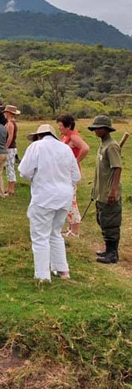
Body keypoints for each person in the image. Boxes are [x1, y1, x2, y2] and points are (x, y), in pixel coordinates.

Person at [18, 124, 80, 281]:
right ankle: (62, 270)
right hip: (64, 196)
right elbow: (76, 176)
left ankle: (42, 276)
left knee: (40, 236)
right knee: (55, 233)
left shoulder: (36, 147)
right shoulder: (65, 148)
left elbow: (24, 171)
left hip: (44, 197)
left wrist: (38, 177)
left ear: (39, 136)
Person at [87, 115, 123, 264]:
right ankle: (108, 250)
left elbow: (117, 168)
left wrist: (113, 190)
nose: (95, 131)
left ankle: (112, 254)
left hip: (109, 192)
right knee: (103, 221)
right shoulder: (103, 145)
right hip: (100, 192)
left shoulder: (112, 146)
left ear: (105, 129)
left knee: (111, 223)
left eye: (98, 128)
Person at [57, 114, 90, 238]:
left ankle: (75, 230)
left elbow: (85, 148)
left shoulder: (74, 136)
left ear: (68, 126)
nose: (59, 128)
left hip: (70, 173)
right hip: (64, 172)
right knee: (67, 199)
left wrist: (76, 160)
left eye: (61, 126)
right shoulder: (66, 136)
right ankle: (70, 227)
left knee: (71, 200)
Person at [3, 105, 21, 196]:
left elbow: (10, 137)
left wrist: (6, 147)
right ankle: (10, 188)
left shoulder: (10, 123)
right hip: (12, 148)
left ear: (9, 113)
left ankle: (11, 189)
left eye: (6, 112)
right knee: (9, 167)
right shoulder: (11, 122)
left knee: (10, 168)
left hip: (10, 148)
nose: (4, 114)